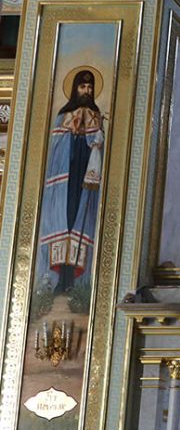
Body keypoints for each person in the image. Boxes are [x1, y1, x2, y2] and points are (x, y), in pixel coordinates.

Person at [40, 69, 106, 293]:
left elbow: (98, 148)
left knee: (80, 222)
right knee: (63, 222)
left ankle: (74, 282)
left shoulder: (96, 115)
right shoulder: (64, 114)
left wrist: (92, 136)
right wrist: (72, 131)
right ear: (75, 88)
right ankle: (60, 279)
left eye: (90, 88)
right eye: (82, 86)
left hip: (84, 181)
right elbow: (56, 146)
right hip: (64, 180)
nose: (86, 91)